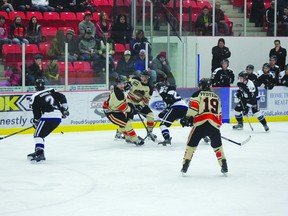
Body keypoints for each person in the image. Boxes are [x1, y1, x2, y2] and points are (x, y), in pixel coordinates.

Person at [180, 78, 227, 174]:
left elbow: (193, 109)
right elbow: (220, 113)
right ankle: (224, 165)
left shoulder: (197, 94)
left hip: (200, 125)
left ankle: (185, 165)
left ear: (201, 86)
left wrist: (187, 118)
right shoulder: (216, 97)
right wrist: (217, 126)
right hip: (213, 125)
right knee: (218, 147)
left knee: (190, 146)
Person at [27, 79, 69, 162]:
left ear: (35, 86)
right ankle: (38, 151)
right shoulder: (51, 91)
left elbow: (36, 111)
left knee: (38, 135)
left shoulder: (35, 96)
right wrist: (64, 109)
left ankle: (40, 153)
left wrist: (36, 120)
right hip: (58, 118)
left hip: (47, 117)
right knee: (40, 135)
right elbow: (62, 97)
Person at [103, 75, 144, 145]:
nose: (122, 85)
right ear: (117, 84)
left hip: (116, 110)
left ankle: (127, 138)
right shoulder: (117, 94)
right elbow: (123, 108)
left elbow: (126, 88)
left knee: (124, 124)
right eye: (120, 84)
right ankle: (136, 140)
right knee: (127, 124)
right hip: (111, 113)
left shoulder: (118, 89)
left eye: (123, 83)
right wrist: (132, 110)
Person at [126, 70, 157, 141]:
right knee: (127, 120)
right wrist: (126, 86)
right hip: (129, 102)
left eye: (145, 77)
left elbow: (146, 100)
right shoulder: (135, 79)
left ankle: (149, 133)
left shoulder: (149, 88)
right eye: (142, 76)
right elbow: (126, 83)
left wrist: (140, 106)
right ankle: (119, 134)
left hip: (140, 104)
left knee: (151, 116)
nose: (143, 78)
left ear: (148, 77)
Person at [155, 81, 188, 146]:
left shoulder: (166, 93)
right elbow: (170, 102)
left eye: (158, 89)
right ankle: (204, 136)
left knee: (163, 125)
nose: (157, 91)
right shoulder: (171, 91)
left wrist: (164, 112)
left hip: (176, 108)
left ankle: (167, 139)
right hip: (185, 108)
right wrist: (164, 112)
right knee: (190, 122)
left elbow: (170, 101)